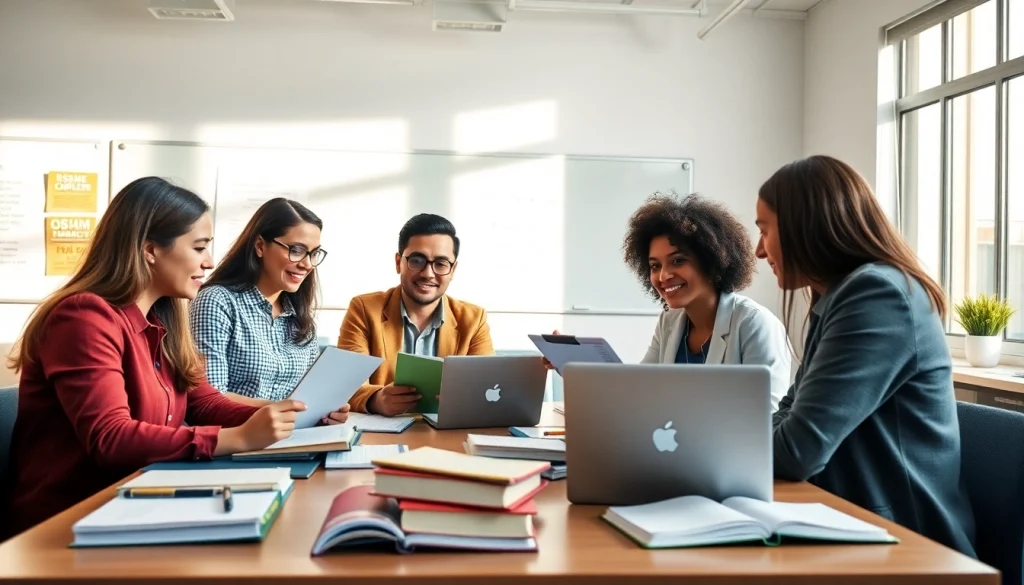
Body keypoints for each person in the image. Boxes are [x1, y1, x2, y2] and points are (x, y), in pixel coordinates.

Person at [2, 177, 306, 539]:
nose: (209, 262)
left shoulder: (164, 320)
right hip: (65, 527)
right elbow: (110, 438)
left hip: (136, 503)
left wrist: (290, 415)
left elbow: (205, 402)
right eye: (199, 247)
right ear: (150, 250)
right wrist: (236, 438)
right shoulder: (83, 317)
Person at [755, 155, 976, 557]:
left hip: (909, 544)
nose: (757, 251)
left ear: (807, 226)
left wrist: (701, 445)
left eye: (765, 230)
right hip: (853, 521)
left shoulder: (877, 295)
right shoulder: (841, 296)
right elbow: (790, 410)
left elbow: (797, 450)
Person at [622, 193, 791, 410]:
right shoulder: (669, 321)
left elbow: (767, 417)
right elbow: (640, 389)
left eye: (678, 261)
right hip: (673, 442)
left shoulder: (754, 324)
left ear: (711, 261)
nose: (663, 276)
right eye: (655, 266)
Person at [189, 198, 347, 423]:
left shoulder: (301, 319)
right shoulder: (217, 302)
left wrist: (326, 411)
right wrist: (282, 409)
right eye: (297, 250)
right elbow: (211, 398)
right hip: (235, 441)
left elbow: (307, 397)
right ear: (260, 246)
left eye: (313, 254)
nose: (307, 264)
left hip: (293, 440)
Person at [338, 213, 493, 416]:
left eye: (440, 263)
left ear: (453, 270)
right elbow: (345, 384)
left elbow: (486, 386)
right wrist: (376, 399)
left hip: (447, 433)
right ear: (398, 262)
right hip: (381, 435)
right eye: (417, 260)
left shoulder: (474, 319)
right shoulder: (364, 308)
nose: (428, 273)